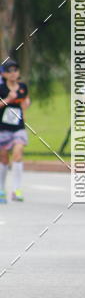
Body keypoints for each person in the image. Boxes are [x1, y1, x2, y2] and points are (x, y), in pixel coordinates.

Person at [0, 59, 30, 203]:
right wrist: (7, 99)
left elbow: (25, 103)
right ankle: (1, 189)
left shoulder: (23, 87)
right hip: (3, 128)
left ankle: (17, 189)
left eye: (15, 70)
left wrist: (26, 103)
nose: (13, 73)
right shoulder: (1, 88)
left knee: (18, 154)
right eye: (9, 71)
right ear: (4, 74)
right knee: (4, 159)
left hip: (18, 127)